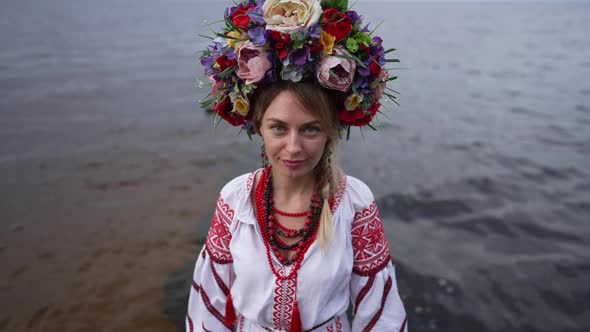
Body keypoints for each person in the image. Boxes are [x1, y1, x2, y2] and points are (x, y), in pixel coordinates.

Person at [187, 1, 407, 331]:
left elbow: (380, 311)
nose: (293, 147)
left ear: (331, 131)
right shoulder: (235, 200)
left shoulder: (355, 203)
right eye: (279, 128)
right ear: (258, 125)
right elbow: (210, 304)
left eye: (310, 129)